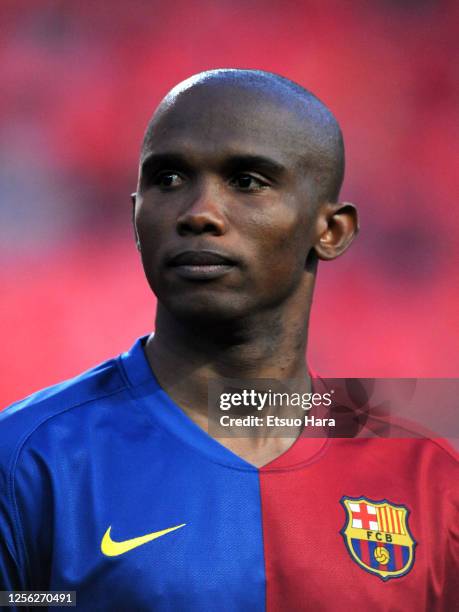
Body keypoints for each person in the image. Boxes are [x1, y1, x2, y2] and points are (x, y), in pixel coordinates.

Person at [0, 69, 457, 611]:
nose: (198, 213)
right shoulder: (30, 461)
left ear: (330, 231)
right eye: (168, 179)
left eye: (246, 181)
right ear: (134, 216)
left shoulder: (433, 484)